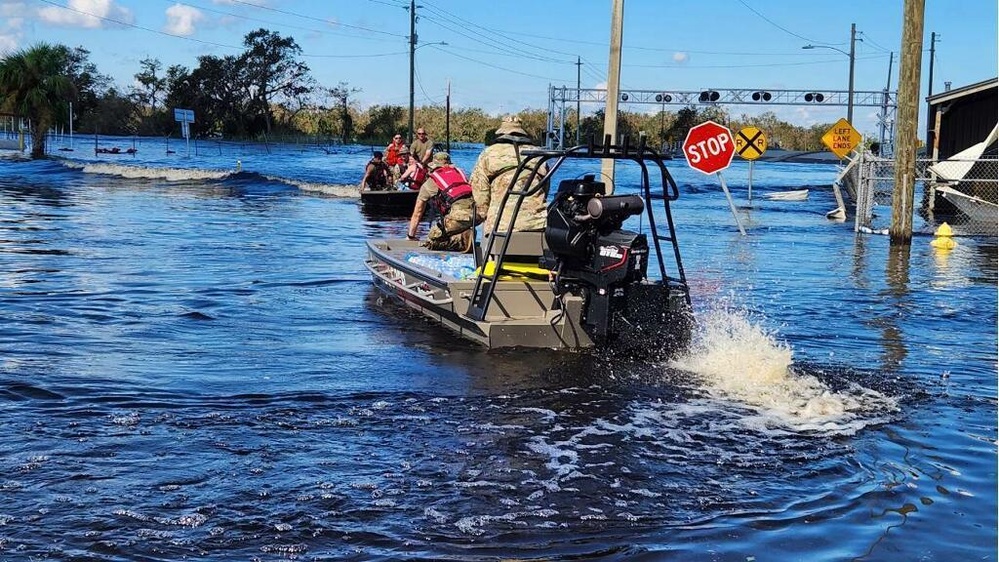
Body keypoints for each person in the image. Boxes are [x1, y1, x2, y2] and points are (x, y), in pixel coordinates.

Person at [469, 116, 549, 234]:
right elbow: (545, 188)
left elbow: (480, 193)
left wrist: (482, 215)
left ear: (501, 132)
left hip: (500, 224)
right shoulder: (539, 154)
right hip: (537, 223)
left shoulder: (489, 153)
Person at [406, 152, 474, 252]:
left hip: (458, 215)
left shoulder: (431, 182)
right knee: (454, 225)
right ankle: (464, 234)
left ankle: (460, 238)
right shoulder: (460, 174)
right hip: (476, 214)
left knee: (432, 239)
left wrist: (411, 236)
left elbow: (418, 212)